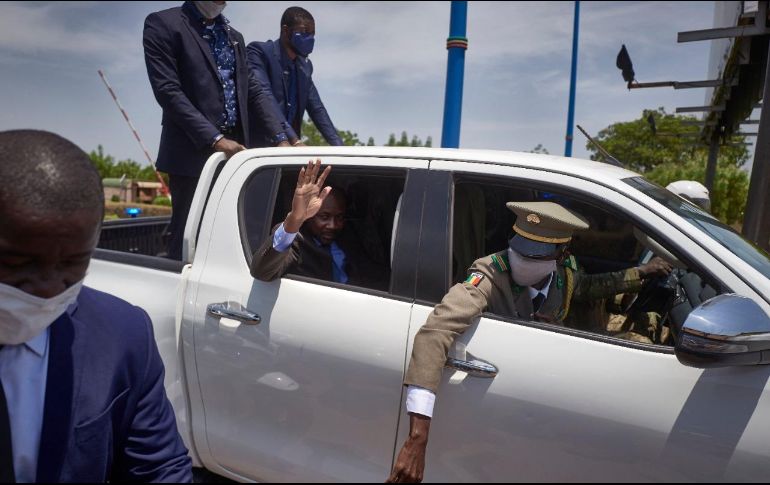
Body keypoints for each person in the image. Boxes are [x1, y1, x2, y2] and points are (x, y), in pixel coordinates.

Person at [387, 201, 672, 483]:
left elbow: (587, 288)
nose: (521, 261)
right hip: (499, 411)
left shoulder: (566, 274)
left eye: (536, 256)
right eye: (519, 251)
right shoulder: (490, 273)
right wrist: (418, 437)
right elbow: (435, 332)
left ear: (561, 255)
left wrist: (640, 274)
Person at [0, 130, 192, 482]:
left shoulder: (124, 336)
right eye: (16, 263)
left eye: (71, 264)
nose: (46, 289)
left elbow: (159, 468)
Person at [143, 1, 293, 261]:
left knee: (226, 237)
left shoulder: (233, 37)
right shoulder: (163, 24)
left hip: (234, 154)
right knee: (188, 239)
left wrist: (281, 138)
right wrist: (215, 139)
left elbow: (253, 91)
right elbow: (168, 91)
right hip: (193, 154)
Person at [250, 160, 385, 289]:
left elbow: (371, 273)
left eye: (339, 217)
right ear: (309, 216)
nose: (333, 225)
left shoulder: (348, 237)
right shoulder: (296, 242)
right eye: (324, 217)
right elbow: (262, 272)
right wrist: (294, 220)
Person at [246, 6, 343, 147]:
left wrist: (340, 147)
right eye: (304, 32)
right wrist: (293, 139)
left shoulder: (304, 67)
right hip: (259, 152)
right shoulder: (259, 53)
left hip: (289, 152)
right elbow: (265, 96)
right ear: (285, 31)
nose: (310, 38)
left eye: (312, 34)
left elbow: (317, 109)